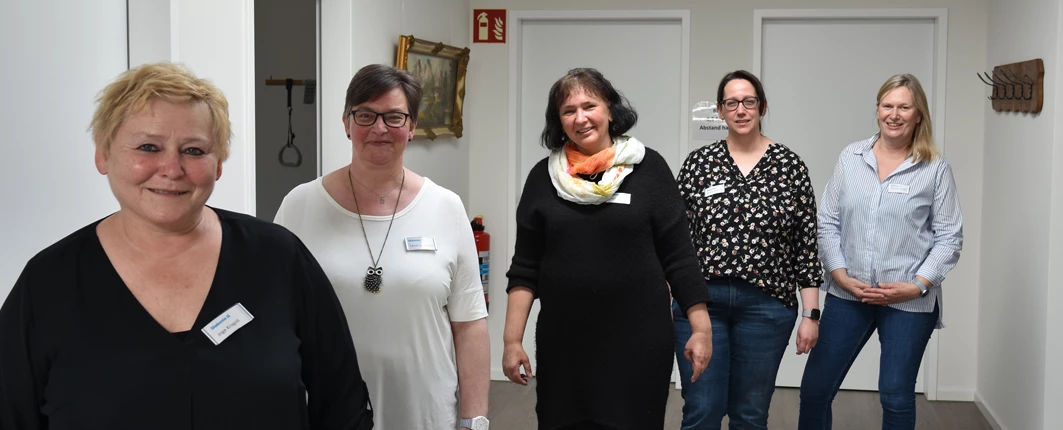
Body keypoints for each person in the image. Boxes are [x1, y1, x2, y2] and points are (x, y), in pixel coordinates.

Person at [0, 62, 373, 429]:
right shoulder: (48, 283)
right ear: (103, 154)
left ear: (219, 164)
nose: (172, 169)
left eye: (193, 151)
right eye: (148, 147)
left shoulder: (278, 258)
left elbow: (344, 409)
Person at [274, 64, 490, 430]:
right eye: (365, 115)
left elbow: (469, 325)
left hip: (425, 411)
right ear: (346, 123)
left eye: (393, 117)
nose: (379, 128)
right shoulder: (300, 205)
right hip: (328, 411)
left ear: (412, 126)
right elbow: (276, 317)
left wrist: (475, 422)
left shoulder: (446, 207)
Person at [502, 67, 714, 430]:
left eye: (590, 106)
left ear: (611, 111)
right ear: (559, 121)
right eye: (569, 111)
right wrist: (511, 340)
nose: (580, 118)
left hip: (638, 341)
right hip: (564, 342)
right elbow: (525, 267)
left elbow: (679, 257)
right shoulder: (543, 177)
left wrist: (701, 329)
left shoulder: (649, 169)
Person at [798, 73, 963, 430]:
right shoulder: (851, 157)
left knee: (896, 396)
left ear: (918, 114)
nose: (894, 114)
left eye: (904, 107)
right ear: (877, 110)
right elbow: (827, 222)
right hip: (849, 293)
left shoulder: (935, 168)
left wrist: (917, 285)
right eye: (888, 106)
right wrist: (839, 274)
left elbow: (950, 237)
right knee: (815, 389)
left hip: (909, 301)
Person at [673, 70, 823, 430]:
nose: (741, 110)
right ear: (720, 111)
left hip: (767, 307)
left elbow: (806, 245)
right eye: (731, 103)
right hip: (701, 305)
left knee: (751, 415)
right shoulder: (699, 164)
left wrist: (811, 315)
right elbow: (675, 241)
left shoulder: (789, 166)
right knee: (701, 410)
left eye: (749, 101)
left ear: (763, 107)